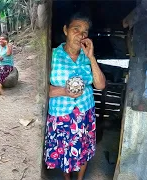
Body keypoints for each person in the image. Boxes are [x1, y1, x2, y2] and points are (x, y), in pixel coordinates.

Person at [44, 12, 106, 180]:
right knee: (65, 152)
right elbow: (42, 90)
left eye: (85, 32)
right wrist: (64, 91)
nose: (81, 35)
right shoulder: (52, 56)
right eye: (76, 29)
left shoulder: (87, 57)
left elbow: (100, 85)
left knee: (83, 149)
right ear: (66, 30)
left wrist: (91, 57)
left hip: (85, 113)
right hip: (61, 116)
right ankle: (67, 178)